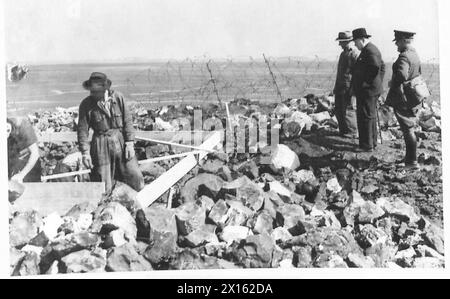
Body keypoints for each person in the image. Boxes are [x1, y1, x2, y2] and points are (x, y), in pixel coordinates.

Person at [77, 72, 144, 193]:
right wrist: (85, 153)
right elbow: (82, 131)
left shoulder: (118, 98)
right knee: (103, 182)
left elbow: (127, 120)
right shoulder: (86, 104)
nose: (93, 94)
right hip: (100, 145)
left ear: (105, 89)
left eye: (97, 91)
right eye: (92, 91)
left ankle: (133, 204)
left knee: (135, 177)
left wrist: (129, 143)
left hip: (120, 141)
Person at [385, 30, 422, 169]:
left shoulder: (404, 56)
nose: (397, 46)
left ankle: (412, 162)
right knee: (409, 128)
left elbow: (401, 74)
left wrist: (392, 83)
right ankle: (409, 160)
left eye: (397, 42)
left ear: (403, 41)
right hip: (413, 96)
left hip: (403, 98)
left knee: (407, 129)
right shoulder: (414, 54)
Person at [351, 28, 385, 152]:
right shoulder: (370, 49)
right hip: (371, 90)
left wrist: (366, 83)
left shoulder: (370, 50)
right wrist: (378, 82)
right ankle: (372, 142)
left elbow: (376, 67)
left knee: (365, 117)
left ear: (362, 39)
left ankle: (367, 145)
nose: (354, 44)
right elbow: (382, 67)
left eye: (355, 41)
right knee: (370, 117)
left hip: (367, 91)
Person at [333, 31, 359, 138]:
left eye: (341, 42)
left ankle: (352, 132)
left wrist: (353, 89)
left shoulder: (354, 54)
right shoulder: (343, 54)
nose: (339, 44)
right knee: (339, 109)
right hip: (340, 87)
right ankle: (343, 130)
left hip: (349, 88)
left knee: (349, 110)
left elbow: (357, 74)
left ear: (347, 41)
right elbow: (340, 73)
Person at [7, 117, 42, 182]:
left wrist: (21, 175)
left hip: (29, 162)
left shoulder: (23, 125)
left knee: (31, 188)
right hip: (12, 159)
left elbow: (35, 153)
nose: (6, 134)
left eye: (7, 131)